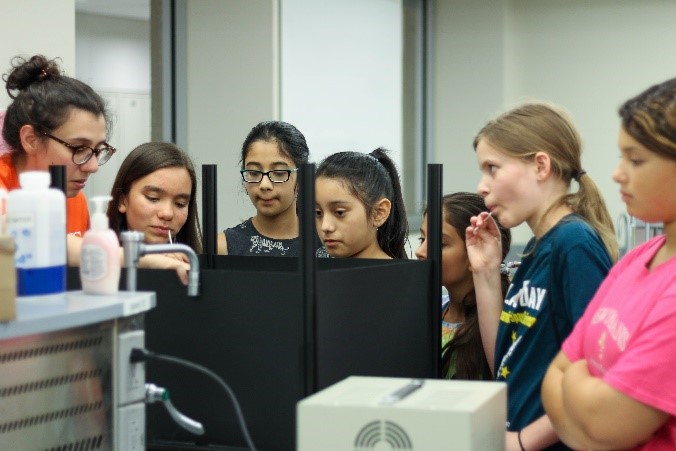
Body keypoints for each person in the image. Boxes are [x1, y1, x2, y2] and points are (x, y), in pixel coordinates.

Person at [467, 102, 618, 450]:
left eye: (493, 168)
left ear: (540, 165)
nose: (481, 186)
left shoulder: (573, 244)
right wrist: (486, 273)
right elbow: (505, 365)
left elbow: (599, 371)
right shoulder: (539, 246)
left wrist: (524, 440)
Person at [542, 78, 676, 450]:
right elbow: (551, 378)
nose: (617, 173)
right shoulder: (637, 259)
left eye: (635, 160)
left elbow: (606, 422)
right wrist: (583, 410)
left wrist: (575, 380)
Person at [1, 54, 112, 238]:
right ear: (31, 139)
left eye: (98, 150)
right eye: (79, 148)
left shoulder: (74, 198)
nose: (92, 167)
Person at [416, 192, 511, 380]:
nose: (420, 252)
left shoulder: (503, 323)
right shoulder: (430, 312)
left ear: (478, 250)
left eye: (439, 243)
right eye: (422, 239)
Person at [218, 120, 324, 256]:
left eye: (279, 173)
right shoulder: (222, 247)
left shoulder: (327, 241)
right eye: (254, 173)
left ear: (302, 176)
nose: (265, 185)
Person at [107, 142, 203, 252]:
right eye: (153, 198)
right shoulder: (93, 260)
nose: (167, 214)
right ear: (122, 201)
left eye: (180, 204)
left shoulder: (194, 265)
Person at [314, 147, 408, 259]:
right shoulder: (313, 271)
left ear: (379, 212)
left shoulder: (399, 275)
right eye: (318, 213)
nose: (325, 226)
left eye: (339, 213)